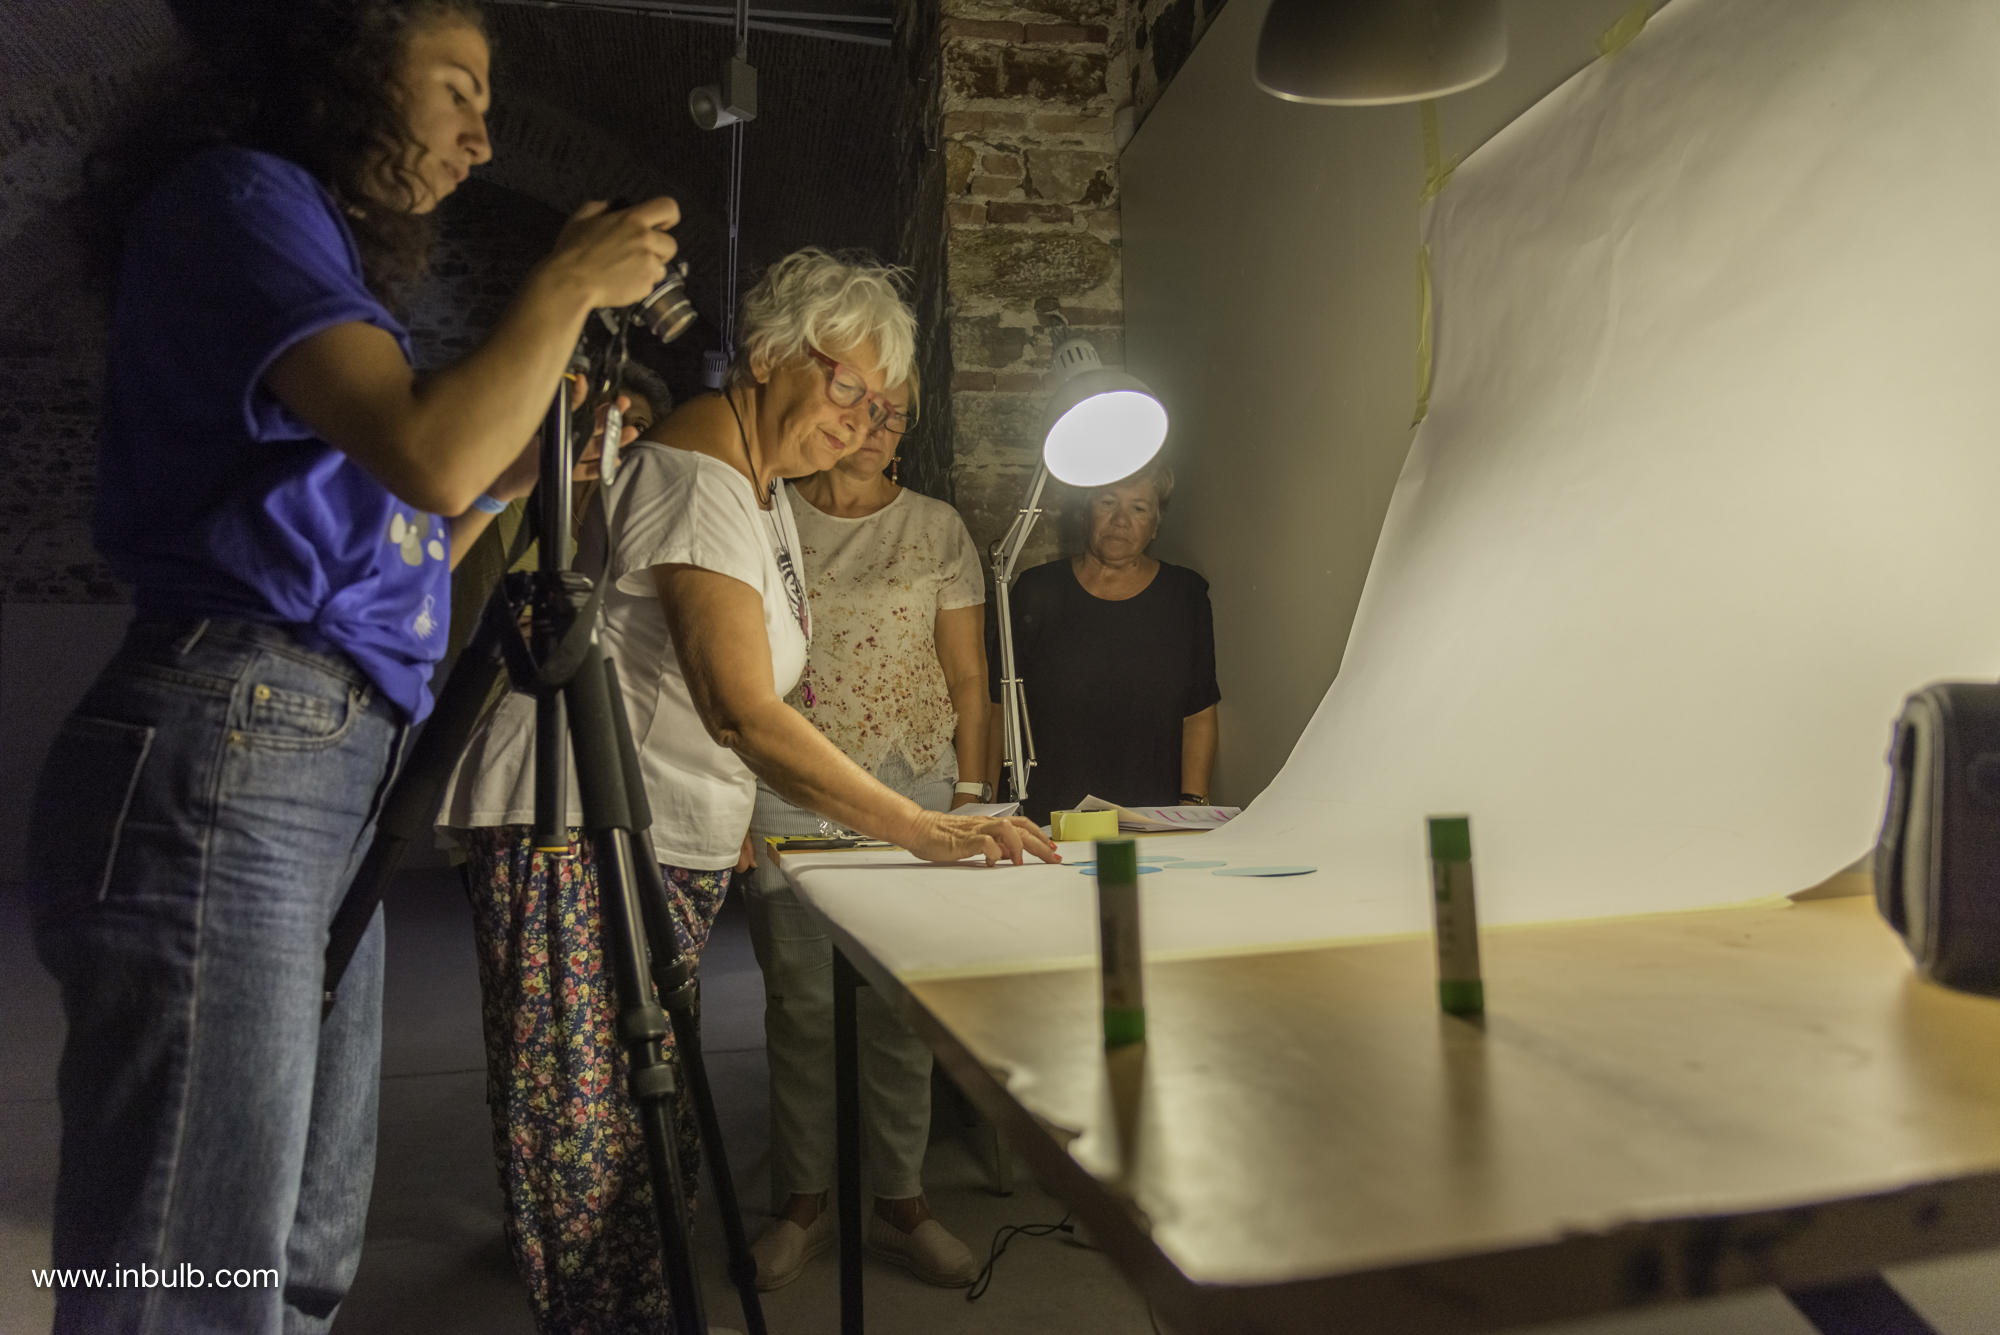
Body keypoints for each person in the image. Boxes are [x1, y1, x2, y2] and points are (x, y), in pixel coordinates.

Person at [25, 3, 682, 1332]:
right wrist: (562, 284)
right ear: (338, 65)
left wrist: (525, 467)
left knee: (300, 1252)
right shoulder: (237, 195)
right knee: (192, 1264)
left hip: (316, 757)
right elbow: (425, 451)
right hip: (234, 737)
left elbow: (417, 524)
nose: (481, 138)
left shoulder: (309, 248)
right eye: (456, 87)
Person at [438, 249, 1055, 1334]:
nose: (857, 421)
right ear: (767, 354)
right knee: (590, 1136)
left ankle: (648, 1306)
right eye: (844, 384)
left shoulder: (753, 484)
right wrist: (923, 828)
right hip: (578, 831)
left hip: (644, 829)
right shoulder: (698, 476)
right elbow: (738, 708)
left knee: (644, 1128)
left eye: (879, 404)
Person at [744, 367, 994, 1290]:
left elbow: (969, 679)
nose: (880, 427)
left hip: (914, 785)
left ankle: (900, 1201)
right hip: (793, 786)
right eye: (867, 407)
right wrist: (737, 803)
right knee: (800, 1004)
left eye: (898, 416)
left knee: (900, 1004)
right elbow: (737, 676)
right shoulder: (771, 517)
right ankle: (803, 1202)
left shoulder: (935, 526)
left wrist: (971, 798)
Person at [995, 461, 1221, 824]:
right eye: (1107, 502)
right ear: (1085, 511)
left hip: (1150, 818)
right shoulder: (1036, 590)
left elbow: (1198, 713)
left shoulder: (1185, 596)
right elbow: (998, 706)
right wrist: (988, 806)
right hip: (1048, 818)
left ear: (1156, 525)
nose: (1120, 520)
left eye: (1139, 508)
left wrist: (1192, 806)